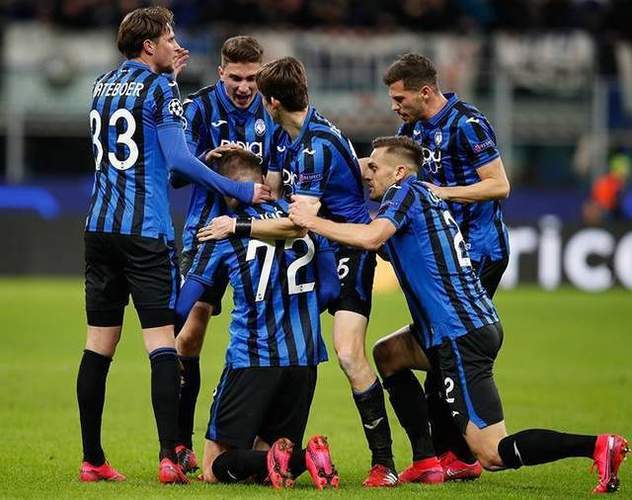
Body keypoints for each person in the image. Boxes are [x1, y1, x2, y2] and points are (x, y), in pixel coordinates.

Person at [289, 135, 629, 495]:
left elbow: (372, 238)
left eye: (374, 166)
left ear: (400, 171)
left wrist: (312, 221)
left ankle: (597, 446)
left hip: (459, 333)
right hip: (450, 326)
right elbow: (383, 242)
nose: (366, 173)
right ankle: (425, 462)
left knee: (492, 453)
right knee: (388, 354)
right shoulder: (414, 199)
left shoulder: (406, 192)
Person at [78, 7, 270, 484]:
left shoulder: (102, 84)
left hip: (98, 227)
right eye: (169, 38)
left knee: (98, 346)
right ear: (150, 45)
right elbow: (180, 162)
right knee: (163, 342)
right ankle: (170, 456)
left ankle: (92, 459)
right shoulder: (160, 89)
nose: (175, 45)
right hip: (145, 231)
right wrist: (240, 189)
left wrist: (170, 83)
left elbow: (145, 135)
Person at [198, 56, 398, 486]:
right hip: (318, 250)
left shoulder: (315, 146)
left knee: (349, 354)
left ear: (271, 102)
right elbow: (271, 193)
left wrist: (237, 225)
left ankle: (384, 463)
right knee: (293, 332)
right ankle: (301, 455)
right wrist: (230, 169)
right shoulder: (283, 134)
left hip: (348, 250)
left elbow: (297, 221)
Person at [175, 149, 340, 490]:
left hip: (252, 357)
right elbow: (331, 291)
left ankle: (299, 456)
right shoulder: (305, 223)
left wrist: (164, 344)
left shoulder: (222, 232)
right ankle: (308, 457)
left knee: (213, 467)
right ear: (263, 181)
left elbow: (184, 305)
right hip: (304, 358)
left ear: (223, 188)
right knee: (268, 465)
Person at [384, 52, 511, 480]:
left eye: (400, 98)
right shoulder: (411, 130)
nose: (395, 107)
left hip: (479, 250)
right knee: (437, 348)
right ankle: (450, 454)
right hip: (444, 256)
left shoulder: (467, 124)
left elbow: (499, 185)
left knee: (447, 349)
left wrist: (440, 192)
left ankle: (457, 454)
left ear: (425, 91)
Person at [174, 35, 287, 473]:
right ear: (221, 72)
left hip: (260, 235)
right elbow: (175, 172)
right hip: (207, 234)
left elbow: (282, 173)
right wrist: (206, 158)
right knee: (189, 335)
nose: (244, 87)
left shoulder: (272, 111)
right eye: (235, 77)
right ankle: (180, 443)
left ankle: (263, 438)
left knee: (266, 333)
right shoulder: (198, 108)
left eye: (252, 78)